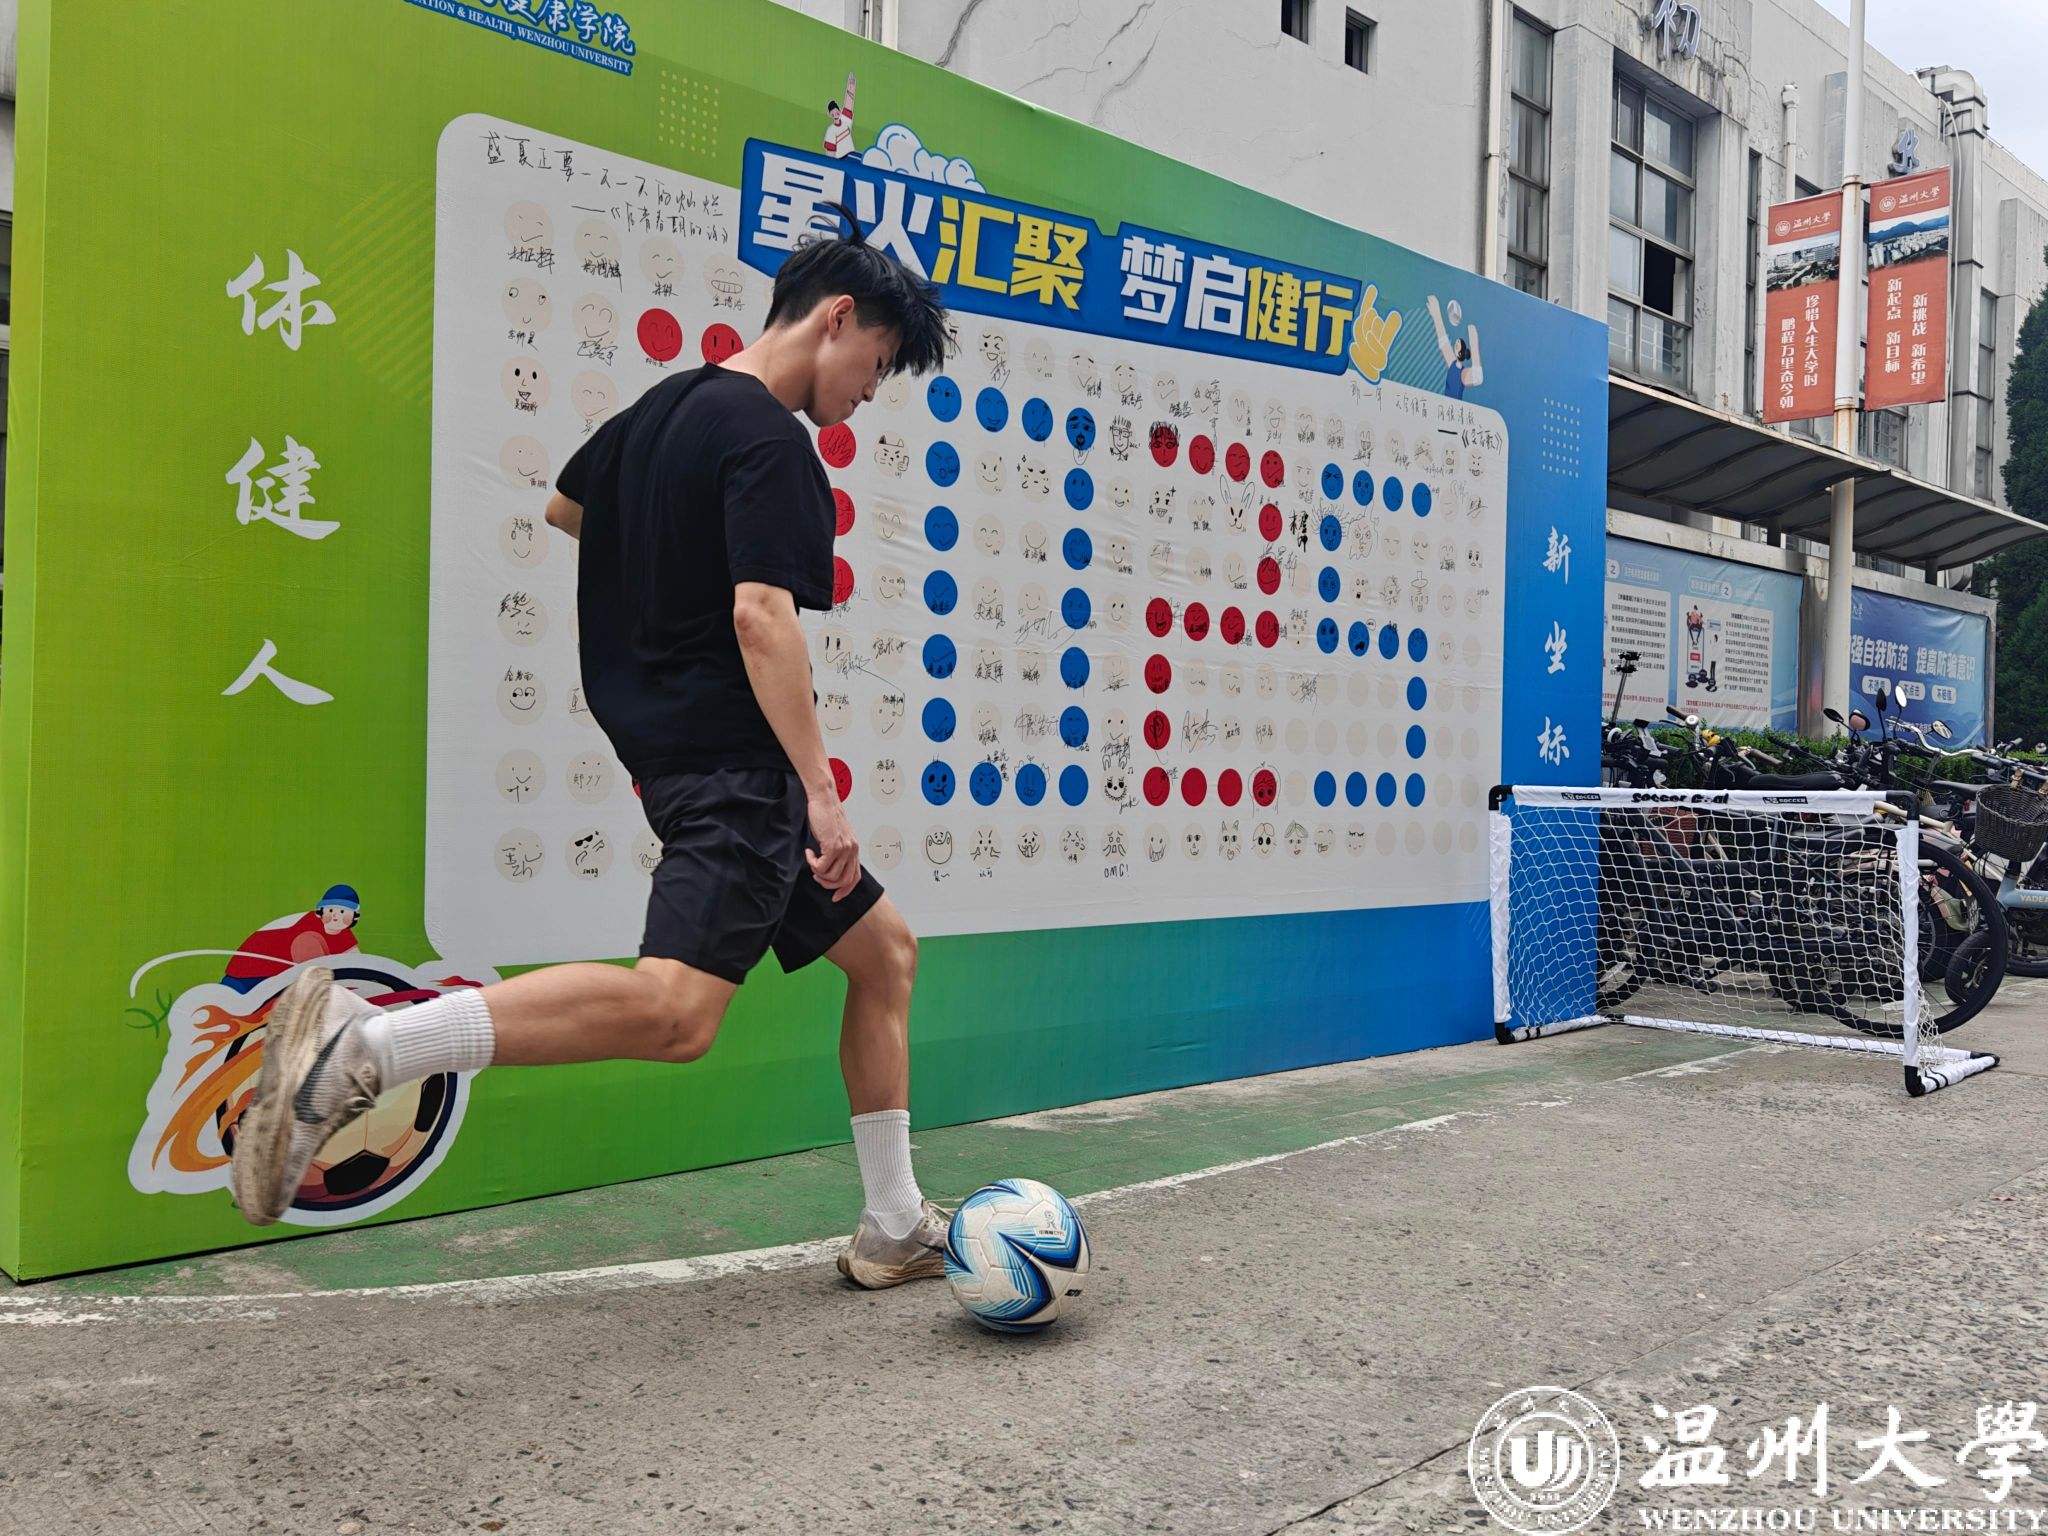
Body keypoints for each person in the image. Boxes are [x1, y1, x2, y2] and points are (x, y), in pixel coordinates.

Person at [230, 221, 954, 1288]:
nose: (870, 392)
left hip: (673, 753)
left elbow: (567, 507)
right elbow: (762, 617)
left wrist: (661, 580)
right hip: (740, 769)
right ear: (837, 318)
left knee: (883, 955)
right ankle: (368, 1046)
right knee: (676, 1013)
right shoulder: (772, 443)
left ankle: (893, 1223)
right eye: (878, 364)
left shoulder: (660, 410)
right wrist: (820, 792)